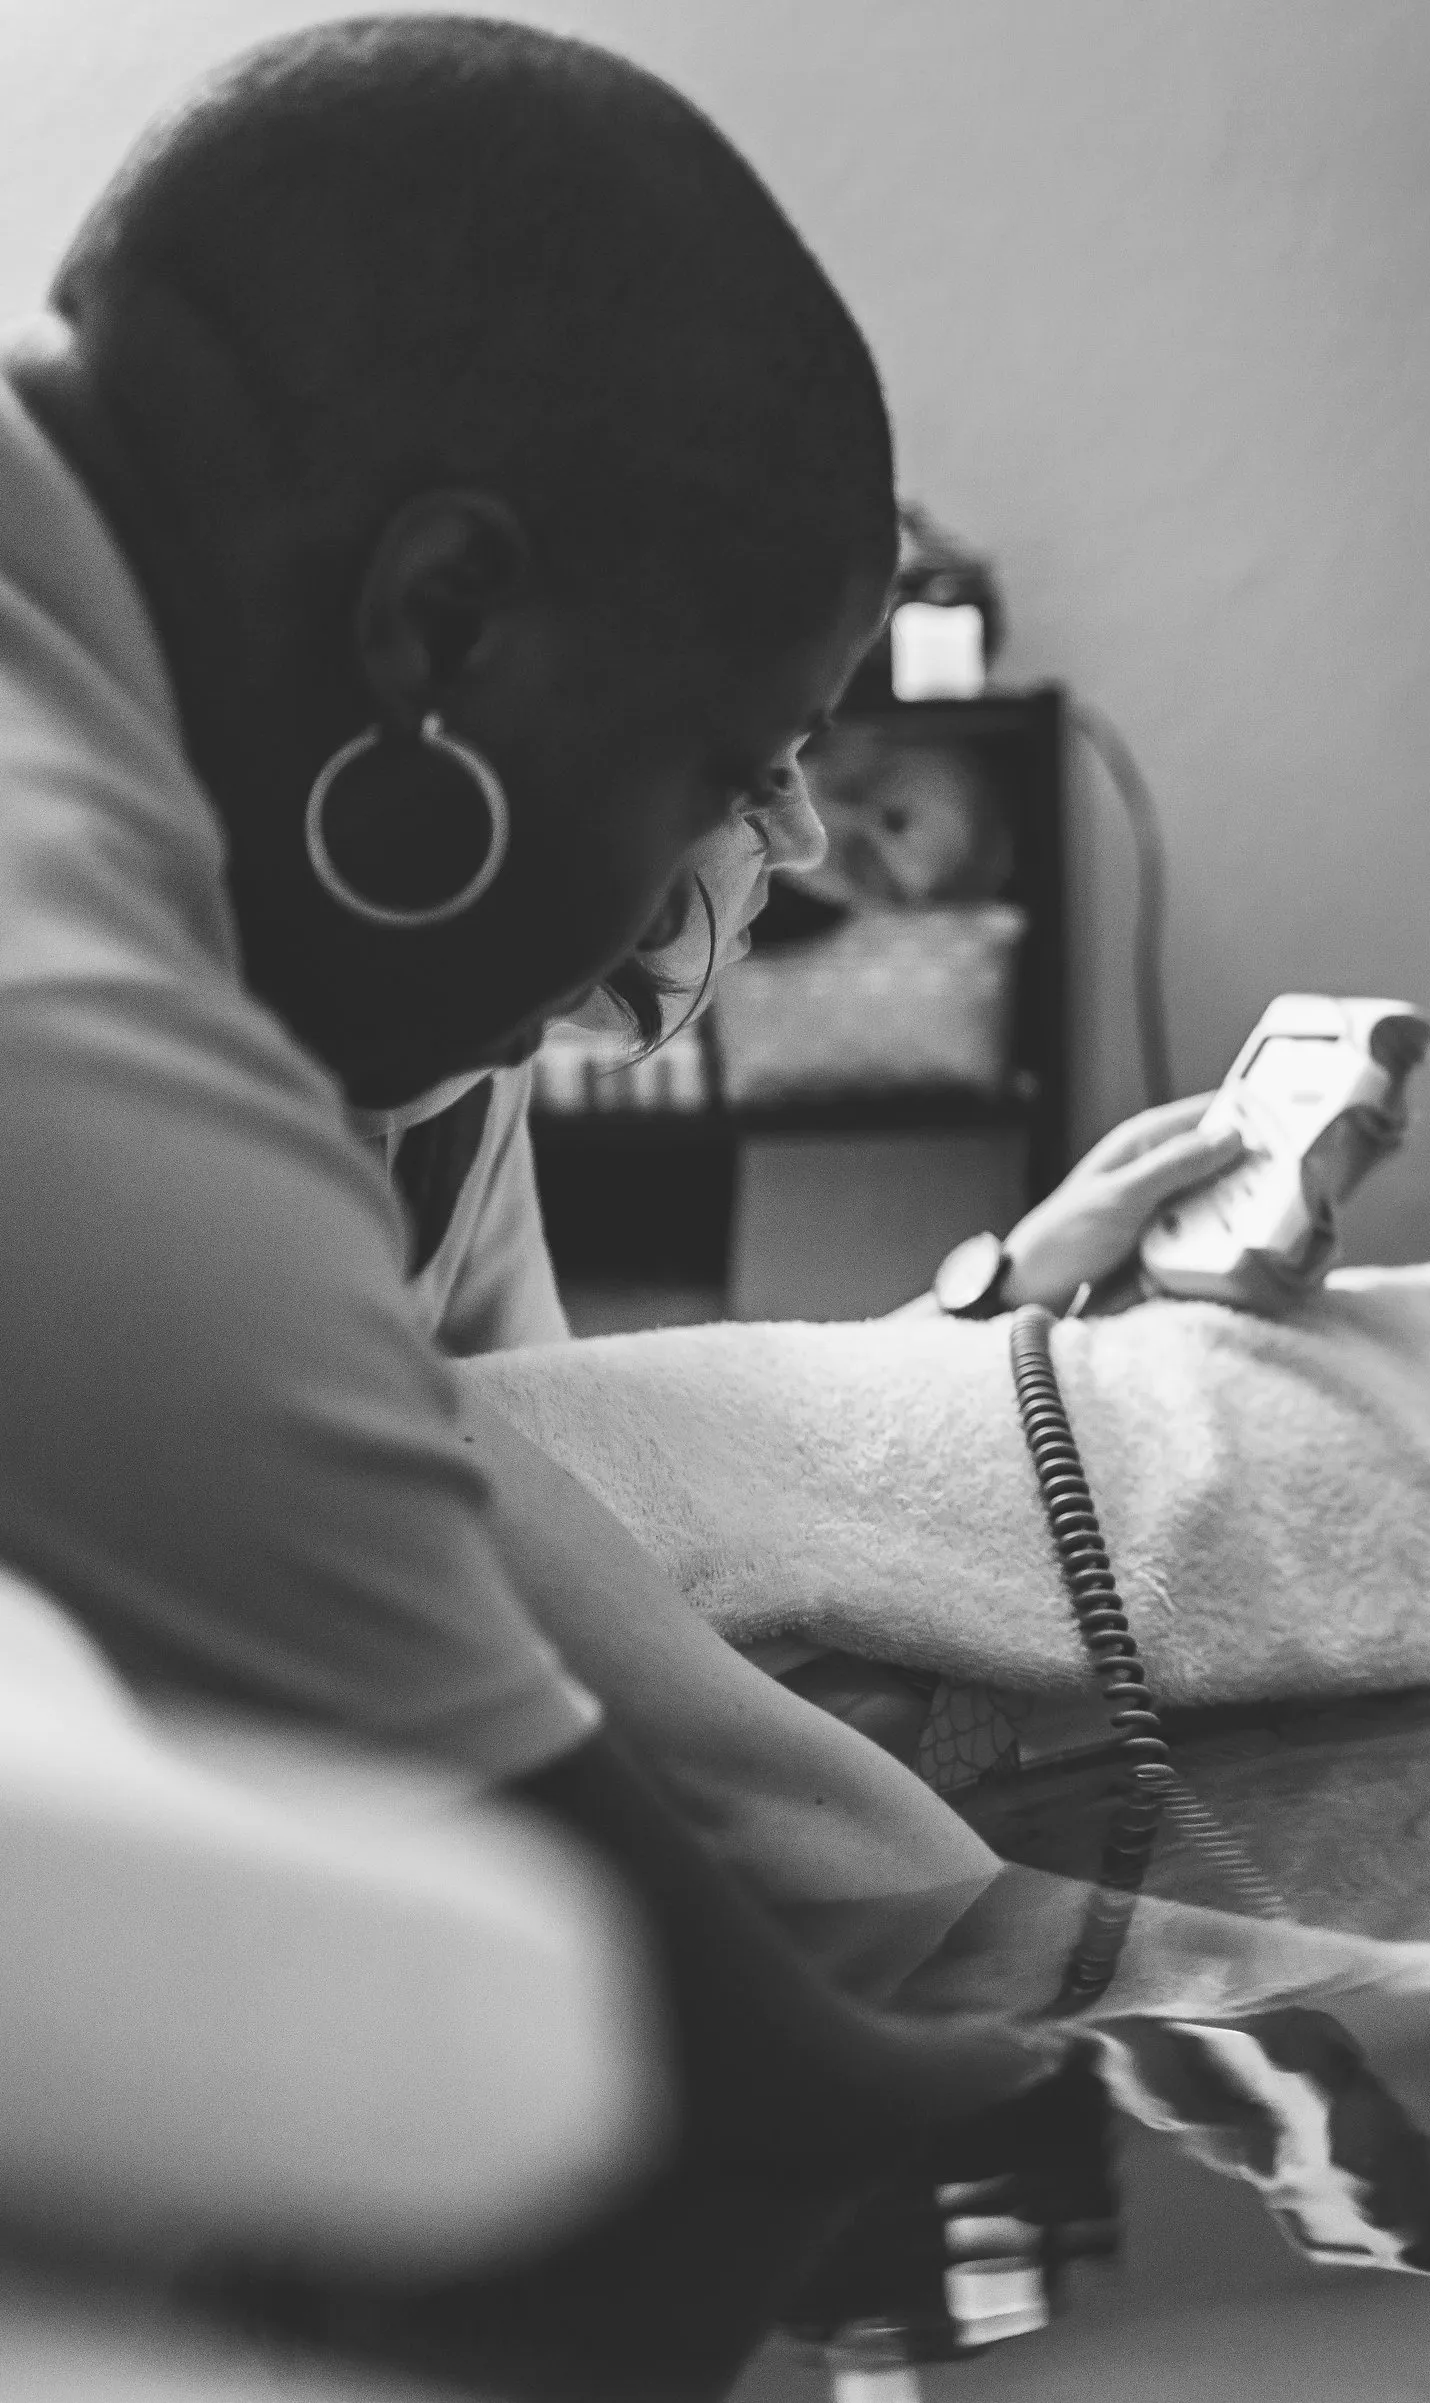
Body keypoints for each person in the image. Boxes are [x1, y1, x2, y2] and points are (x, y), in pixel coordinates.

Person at [0, 19, 1067, 2391]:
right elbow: (723, 2050)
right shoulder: (71, 1037)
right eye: (721, 762)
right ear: (446, 628)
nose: (755, 886)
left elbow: (496, 1461)